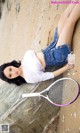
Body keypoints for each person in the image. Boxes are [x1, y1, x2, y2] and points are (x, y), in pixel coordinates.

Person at [0, 2, 80, 86]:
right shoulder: (29, 78)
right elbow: (49, 75)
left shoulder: (23, 62)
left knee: (64, 16)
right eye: (10, 75)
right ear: (11, 79)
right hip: (58, 55)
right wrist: (67, 67)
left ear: (10, 65)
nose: (13, 72)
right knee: (70, 21)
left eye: (10, 69)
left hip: (53, 45)